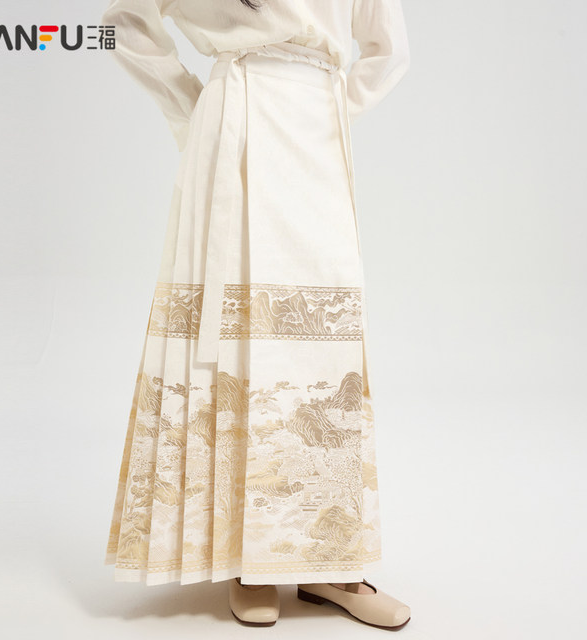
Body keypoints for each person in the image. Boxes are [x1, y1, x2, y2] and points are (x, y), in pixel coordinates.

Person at [100, 0, 412, 629]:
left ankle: (331, 564)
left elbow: (389, 48)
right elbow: (121, 22)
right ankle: (248, 560)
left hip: (317, 132)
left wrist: (331, 107)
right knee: (239, 331)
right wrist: (194, 106)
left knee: (323, 336)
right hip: (234, 124)